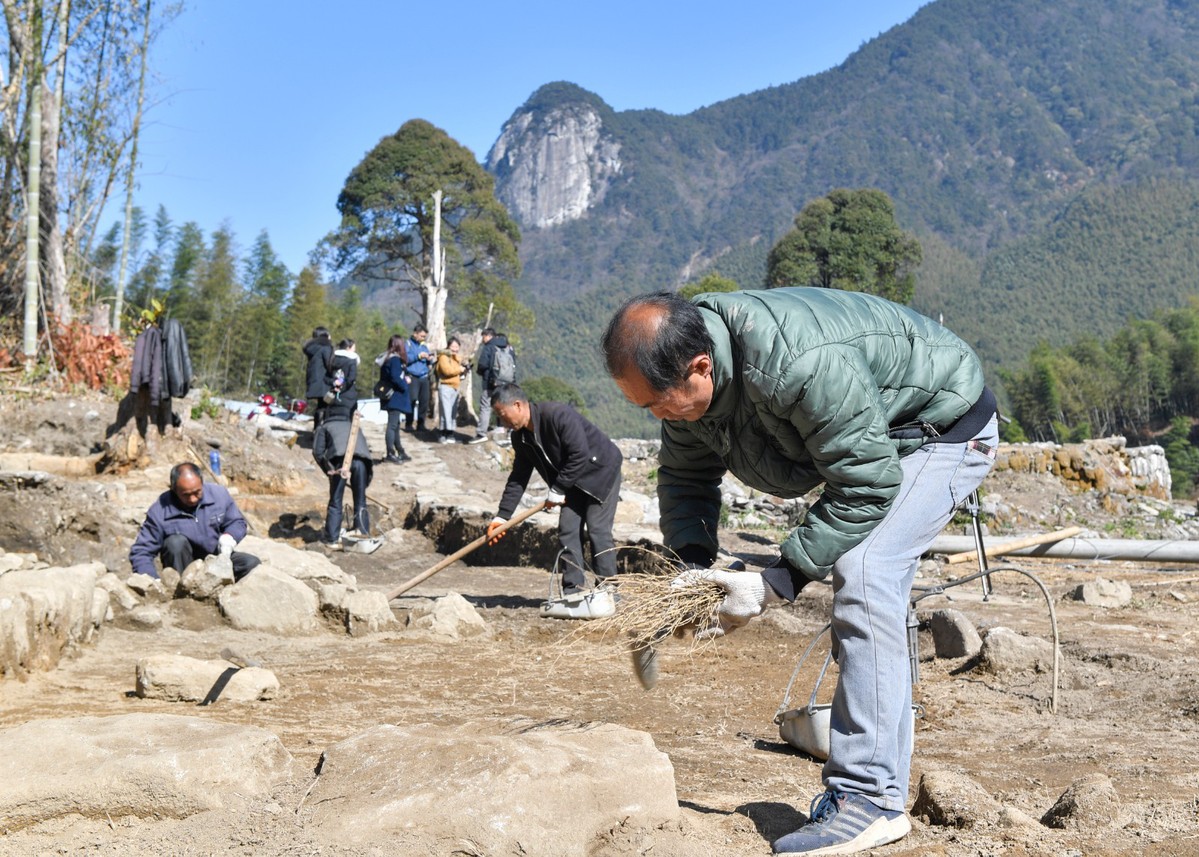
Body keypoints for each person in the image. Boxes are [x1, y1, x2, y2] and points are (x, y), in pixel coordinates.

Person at [600, 288, 998, 856]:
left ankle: (871, 800)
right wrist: (691, 568)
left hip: (942, 432)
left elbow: (867, 484)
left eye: (658, 403)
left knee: (865, 572)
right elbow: (687, 479)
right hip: (875, 441)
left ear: (700, 366)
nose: (658, 416)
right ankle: (870, 781)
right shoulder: (686, 382)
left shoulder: (797, 362)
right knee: (860, 568)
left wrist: (774, 582)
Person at [486, 383, 623, 617]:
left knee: (598, 531)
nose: (502, 422)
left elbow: (579, 454)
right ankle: (573, 592)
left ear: (517, 405)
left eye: (502, 414)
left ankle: (610, 592)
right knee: (567, 531)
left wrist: (557, 489)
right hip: (572, 484)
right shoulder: (521, 438)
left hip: (601, 472)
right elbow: (519, 477)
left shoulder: (557, 415)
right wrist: (502, 516)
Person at [129, 462, 261, 581]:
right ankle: (182, 596)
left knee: (252, 564)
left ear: (202, 484)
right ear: (174, 490)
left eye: (197, 492)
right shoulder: (160, 511)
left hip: (215, 558)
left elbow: (237, 522)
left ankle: (226, 591)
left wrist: (229, 537)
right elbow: (141, 551)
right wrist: (151, 579)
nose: (192, 499)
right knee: (175, 543)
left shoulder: (219, 495)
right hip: (183, 565)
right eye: (186, 494)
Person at [312, 398, 374, 550]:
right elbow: (364, 448)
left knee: (335, 502)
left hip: (340, 463)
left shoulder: (325, 426)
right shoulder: (354, 425)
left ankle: (332, 539)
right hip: (362, 462)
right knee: (360, 500)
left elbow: (317, 452)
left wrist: (328, 469)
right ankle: (362, 535)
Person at [469, 328, 515, 444]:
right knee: (505, 406)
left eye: (483, 336)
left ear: (488, 336)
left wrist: (481, 372)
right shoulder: (508, 347)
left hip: (491, 383)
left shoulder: (489, 347)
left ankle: (481, 434)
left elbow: (483, 364)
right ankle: (509, 432)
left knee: (485, 406)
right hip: (507, 382)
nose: (483, 339)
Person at [378, 334, 413, 463]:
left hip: (389, 396)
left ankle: (400, 450)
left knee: (396, 424)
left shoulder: (387, 358)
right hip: (395, 397)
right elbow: (395, 377)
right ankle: (390, 453)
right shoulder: (395, 360)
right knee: (393, 425)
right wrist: (405, 383)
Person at [435, 337, 470, 443]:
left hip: (454, 387)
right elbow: (447, 371)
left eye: (457, 346)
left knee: (452, 411)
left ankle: (448, 433)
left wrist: (464, 369)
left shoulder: (456, 358)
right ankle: (445, 433)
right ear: (448, 346)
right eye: (453, 346)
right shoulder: (443, 357)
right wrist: (459, 369)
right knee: (445, 411)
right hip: (445, 386)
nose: (455, 349)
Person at [302, 326, 334, 428]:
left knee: (320, 406)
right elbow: (330, 364)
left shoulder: (313, 348)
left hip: (314, 380)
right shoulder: (325, 347)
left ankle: (316, 430)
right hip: (324, 382)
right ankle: (321, 433)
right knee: (326, 407)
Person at [405, 325, 433, 432]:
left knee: (424, 401)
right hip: (412, 377)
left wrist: (429, 359)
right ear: (415, 333)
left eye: (425, 336)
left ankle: (421, 424)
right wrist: (419, 356)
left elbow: (428, 361)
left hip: (424, 377)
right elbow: (406, 359)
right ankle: (409, 423)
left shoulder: (424, 346)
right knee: (412, 400)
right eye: (422, 336)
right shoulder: (408, 344)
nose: (423, 338)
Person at [325, 338, 359, 404]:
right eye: (353, 348)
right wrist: (341, 387)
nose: (355, 350)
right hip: (347, 396)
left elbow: (325, 377)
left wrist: (334, 383)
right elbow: (351, 379)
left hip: (330, 395)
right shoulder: (352, 361)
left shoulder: (331, 358)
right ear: (348, 348)